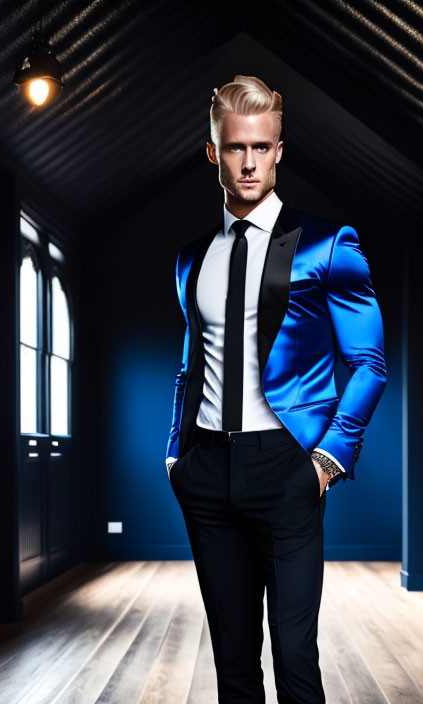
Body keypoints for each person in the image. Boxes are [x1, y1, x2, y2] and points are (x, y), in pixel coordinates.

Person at [165, 74, 386, 703]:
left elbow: (369, 363)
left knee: (294, 657)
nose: (249, 162)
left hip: (287, 467)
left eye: (262, 147)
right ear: (214, 151)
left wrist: (327, 460)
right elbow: (190, 365)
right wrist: (176, 453)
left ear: (280, 150)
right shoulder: (192, 258)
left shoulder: (326, 245)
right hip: (207, 469)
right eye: (236, 148)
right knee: (234, 665)